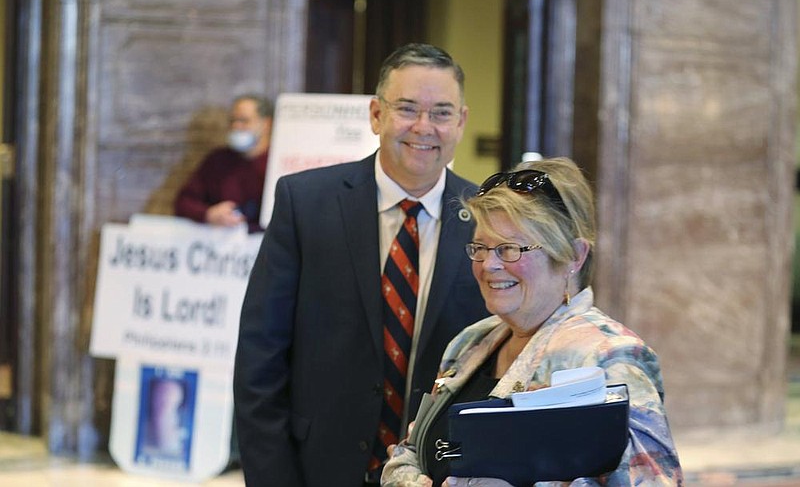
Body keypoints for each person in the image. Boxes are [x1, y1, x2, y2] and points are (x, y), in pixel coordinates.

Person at [233, 43, 488, 487]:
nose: (424, 127)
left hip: (445, 473)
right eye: (407, 108)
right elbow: (261, 358)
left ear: (461, 122)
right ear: (376, 114)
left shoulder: (489, 219)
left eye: (442, 113)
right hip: (319, 467)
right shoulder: (306, 203)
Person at [381, 157, 684, 486]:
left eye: (510, 249)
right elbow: (415, 452)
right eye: (481, 247)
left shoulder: (611, 357)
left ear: (573, 255)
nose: (488, 265)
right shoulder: (469, 343)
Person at [174, 93, 273, 233]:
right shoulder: (218, 160)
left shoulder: (278, 161)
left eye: (244, 121)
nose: (236, 126)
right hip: (222, 249)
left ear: (266, 124)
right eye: (233, 120)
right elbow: (184, 202)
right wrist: (208, 214)